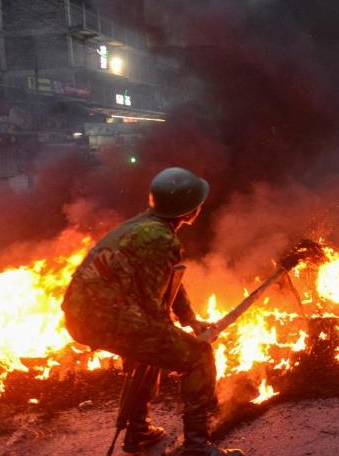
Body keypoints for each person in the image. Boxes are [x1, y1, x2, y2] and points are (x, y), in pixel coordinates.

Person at [62, 167, 243, 456]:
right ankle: (197, 446)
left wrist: (190, 321)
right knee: (197, 356)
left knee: (152, 349)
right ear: (189, 210)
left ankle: (138, 432)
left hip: (86, 312)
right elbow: (151, 306)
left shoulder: (146, 224)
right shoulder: (159, 239)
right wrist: (175, 337)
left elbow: (170, 279)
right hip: (103, 317)